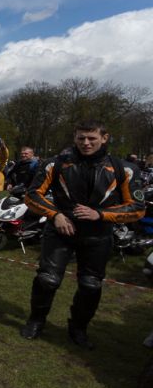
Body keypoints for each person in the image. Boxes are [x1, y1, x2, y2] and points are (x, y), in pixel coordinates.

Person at [19, 120, 145, 349]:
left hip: (98, 235)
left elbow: (137, 207)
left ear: (104, 138)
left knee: (90, 285)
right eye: (81, 138)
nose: (86, 143)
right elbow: (32, 195)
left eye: (92, 138)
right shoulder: (56, 164)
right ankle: (36, 320)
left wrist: (101, 214)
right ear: (74, 138)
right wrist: (55, 215)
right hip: (60, 229)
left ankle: (78, 327)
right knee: (47, 279)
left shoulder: (124, 168)